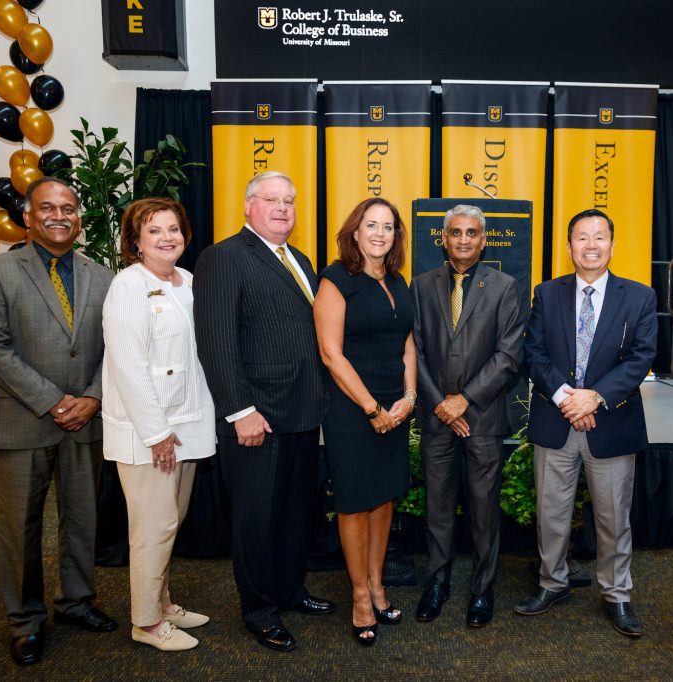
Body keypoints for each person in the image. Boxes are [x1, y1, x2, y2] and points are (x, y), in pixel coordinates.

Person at [0, 177, 117, 666]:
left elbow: (115, 347)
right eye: (48, 208)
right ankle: (25, 621)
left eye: (69, 208)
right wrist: (53, 401)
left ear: (79, 216)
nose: (60, 216)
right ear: (28, 217)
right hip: (23, 420)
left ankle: (76, 602)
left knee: (82, 519)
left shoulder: (102, 275)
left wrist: (93, 397)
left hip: (86, 420)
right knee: (20, 526)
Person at [193, 171, 334, 653]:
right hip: (258, 417)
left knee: (296, 514)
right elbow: (215, 341)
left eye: (290, 201)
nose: (282, 209)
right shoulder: (224, 257)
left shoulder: (300, 259)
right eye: (272, 200)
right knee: (255, 519)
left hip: (302, 412)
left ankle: (290, 590)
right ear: (248, 205)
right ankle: (259, 610)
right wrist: (239, 411)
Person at [515, 209, 657, 639]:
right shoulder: (547, 292)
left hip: (610, 422)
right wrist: (566, 398)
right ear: (569, 245)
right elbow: (533, 352)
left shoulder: (639, 296)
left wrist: (593, 397)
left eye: (599, 237)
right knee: (551, 513)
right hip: (556, 420)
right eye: (582, 237)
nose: (591, 245)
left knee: (614, 518)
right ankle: (552, 582)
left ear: (612, 245)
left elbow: (642, 357)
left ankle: (616, 593)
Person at [101, 198, 217, 651]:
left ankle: (163, 603)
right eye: (155, 231)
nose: (168, 238)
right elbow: (128, 367)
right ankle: (146, 623)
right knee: (153, 526)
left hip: (188, 424)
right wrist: (156, 433)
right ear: (135, 241)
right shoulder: (127, 286)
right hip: (151, 433)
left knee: (171, 521)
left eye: (174, 229)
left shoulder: (189, 281)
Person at [410, 205, 525, 628]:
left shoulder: (506, 287)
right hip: (437, 416)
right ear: (443, 238)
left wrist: (465, 400)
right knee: (437, 507)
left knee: (483, 508)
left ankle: (482, 589)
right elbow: (414, 351)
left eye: (471, 233)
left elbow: (509, 356)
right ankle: (436, 583)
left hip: (484, 417)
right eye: (455, 232)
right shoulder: (421, 286)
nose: (463, 239)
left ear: (483, 238)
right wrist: (442, 402)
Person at [315, 197, 416, 646]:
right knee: (356, 501)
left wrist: (409, 397)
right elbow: (331, 354)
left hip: (394, 410)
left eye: (388, 227)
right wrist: (371, 408)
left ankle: (378, 584)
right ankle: (359, 595)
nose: (380, 233)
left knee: (384, 498)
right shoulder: (337, 279)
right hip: (353, 412)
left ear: (396, 236)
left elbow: (408, 346)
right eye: (371, 225)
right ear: (354, 232)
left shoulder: (398, 280)